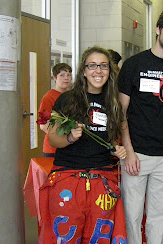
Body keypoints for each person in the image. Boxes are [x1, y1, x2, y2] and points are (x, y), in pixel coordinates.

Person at [39, 46, 127, 243]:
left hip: (102, 180)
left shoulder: (113, 102)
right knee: (66, 237)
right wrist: (70, 137)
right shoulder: (66, 100)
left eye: (103, 66)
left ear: (110, 71)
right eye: (92, 65)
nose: (98, 71)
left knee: (100, 237)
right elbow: (53, 138)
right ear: (84, 71)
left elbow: (110, 138)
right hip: (68, 179)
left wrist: (116, 149)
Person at [118, 8, 163, 244]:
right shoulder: (133, 64)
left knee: (159, 215)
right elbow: (121, 112)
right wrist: (128, 152)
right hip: (136, 154)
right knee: (133, 215)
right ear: (158, 30)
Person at [38, 63, 72, 157]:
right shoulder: (48, 98)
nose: (66, 78)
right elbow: (43, 125)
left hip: (70, 146)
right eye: (62, 75)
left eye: (69, 75)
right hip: (53, 149)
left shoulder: (72, 96)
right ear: (55, 78)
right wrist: (60, 136)